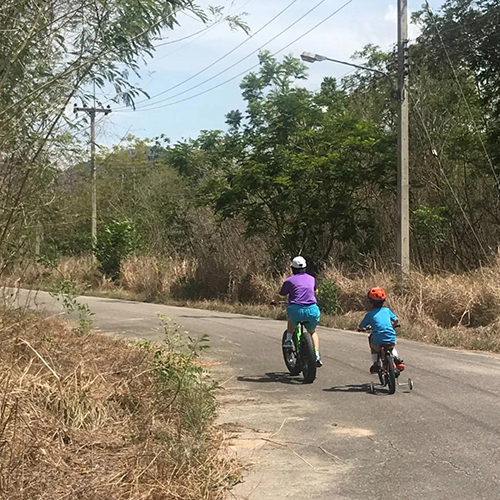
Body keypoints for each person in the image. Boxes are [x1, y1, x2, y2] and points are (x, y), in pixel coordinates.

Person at [278, 256, 323, 367]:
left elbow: (281, 296)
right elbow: (315, 291)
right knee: (312, 331)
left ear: (292, 268)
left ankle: (288, 340)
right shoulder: (312, 279)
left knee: (291, 318)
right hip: (312, 310)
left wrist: (274, 301)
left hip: (296, 310)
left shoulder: (289, 281)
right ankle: (316, 355)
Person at [358, 287, 405, 374]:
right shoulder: (387, 311)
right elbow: (396, 320)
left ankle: (375, 363)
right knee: (391, 347)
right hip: (391, 338)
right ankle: (396, 358)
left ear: (370, 301)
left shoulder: (369, 314)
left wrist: (362, 329)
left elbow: (361, 326)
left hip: (377, 340)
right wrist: (393, 325)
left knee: (372, 342)